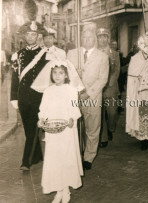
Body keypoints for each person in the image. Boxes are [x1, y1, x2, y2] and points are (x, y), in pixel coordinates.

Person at [32, 60, 84, 203]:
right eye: (54, 73)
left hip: (66, 129)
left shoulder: (71, 90)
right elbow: (43, 108)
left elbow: (74, 108)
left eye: (61, 73)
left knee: (66, 158)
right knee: (54, 159)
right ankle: (59, 190)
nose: (57, 76)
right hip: (52, 130)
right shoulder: (48, 90)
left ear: (66, 75)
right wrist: (41, 119)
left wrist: (72, 118)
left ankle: (66, 188)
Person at [67, 23, 109, 170]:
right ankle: (76, 152)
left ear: (95, 39)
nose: (87, 40)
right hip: (75, 96)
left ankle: (89, 157)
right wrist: (74, 75)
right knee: (75, 127)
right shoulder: (72, 54)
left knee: (92, 128)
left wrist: (88, 93)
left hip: (92, 98)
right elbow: (66, 74)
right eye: (84, 37)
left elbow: (103, 79)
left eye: (90, 37)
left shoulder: (103, 57)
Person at [10, 18, 48, 170]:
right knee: (29, 129)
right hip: (23, 96)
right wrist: (14, 97)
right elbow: (14, 78)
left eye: (33, 35)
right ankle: (37, 156)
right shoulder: (18, 55)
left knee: (33, 128)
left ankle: (26, 161)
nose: (30, 38)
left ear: (38, 36)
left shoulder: (46, 54)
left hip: (39, 97)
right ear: (24, 37)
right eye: (28, 35)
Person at [97, 28, 120, 148]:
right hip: (98, 88)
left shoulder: (114, 53)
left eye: (104, 36)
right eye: (100, 37)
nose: (102, 39)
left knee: (112, 112)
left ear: (108, 38)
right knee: (100, 114)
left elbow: (117, 70)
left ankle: (111, 129)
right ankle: (103, 138)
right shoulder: (94, 52)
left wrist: (109, 83)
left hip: (111, 87)